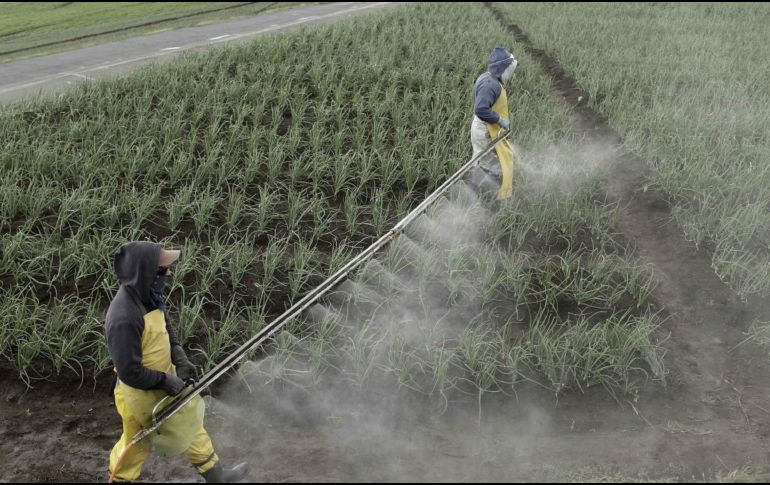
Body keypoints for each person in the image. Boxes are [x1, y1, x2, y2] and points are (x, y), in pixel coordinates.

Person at [105, 241, 249, 482]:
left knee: (191, 425)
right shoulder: (123, 317)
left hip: (164, 379)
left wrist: (180, 357)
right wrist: (165, 381)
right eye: (162, 270)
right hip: (139, 395)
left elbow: (166, 327)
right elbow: (130, 372)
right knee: (136, 445)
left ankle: (218, 477)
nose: (168, 273)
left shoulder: (149, 296)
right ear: (145, 272)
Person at [469, 47, 518, 200]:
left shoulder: (489, 78)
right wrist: (499, 120)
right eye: (510, 69)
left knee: (482, 161)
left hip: (483, 128)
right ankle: (490, 197)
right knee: (494, 164)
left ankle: (474, 191)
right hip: (485, 131)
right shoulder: (491, 85)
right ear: (502, 68)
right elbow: (480, 109)